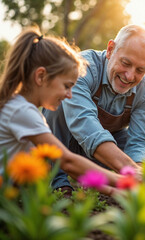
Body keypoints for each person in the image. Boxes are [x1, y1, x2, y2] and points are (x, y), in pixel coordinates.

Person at [0, 26, 122, 195]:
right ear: (41, 76)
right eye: (66, 86)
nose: (70, 95)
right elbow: (67, 161)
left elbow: (62, 163)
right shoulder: (21, 111)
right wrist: (124, 181)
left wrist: (114, 191)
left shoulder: (24, 110)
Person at [43, 24, 145, 191]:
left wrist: (140, 172)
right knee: (59, 104)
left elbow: (139, 140)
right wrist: (130, 169)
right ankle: (57, 181)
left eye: (140, 70)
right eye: (125, 63)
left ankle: (110, 182)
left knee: (128, 141)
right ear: (111, 49)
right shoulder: (82, 67)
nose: (129, 76)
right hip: (63, 144)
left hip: (101, 154)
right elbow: (84, 123)